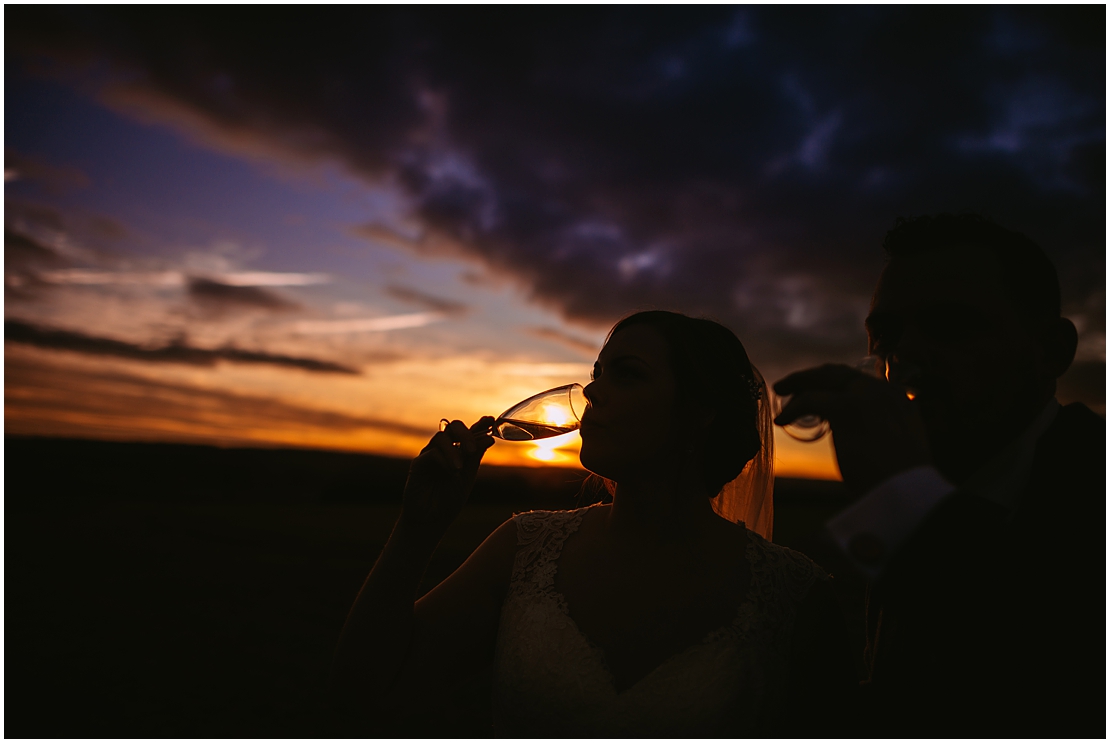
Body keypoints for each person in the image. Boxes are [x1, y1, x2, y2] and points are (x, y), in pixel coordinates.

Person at [331, 310, 857, 736]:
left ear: (701, 413)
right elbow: (371, 687)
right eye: (596, 375)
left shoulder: (794, 594)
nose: (591, 393)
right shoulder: (525, 548)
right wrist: (418, 528)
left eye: (626, 374)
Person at [774, 213, 1105, 738]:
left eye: (952, 326)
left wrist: (901, 498)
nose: (905, 355)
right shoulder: (932, 487)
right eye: (885, 335)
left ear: (1051, 351)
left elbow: (1030, 683)